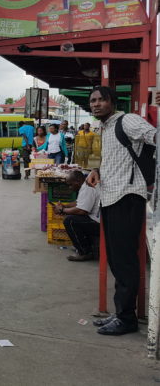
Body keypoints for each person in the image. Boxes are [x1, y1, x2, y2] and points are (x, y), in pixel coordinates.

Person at [86, 86, 155, 336]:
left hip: (127, 197)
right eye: (92, 101)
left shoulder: (128, 121)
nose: (96, 104)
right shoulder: (103, 128)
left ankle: (127, 320)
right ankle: (121, 313)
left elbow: (153, 136)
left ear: (112, 102)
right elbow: (110, 159)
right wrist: (96, 172)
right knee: (116, 260)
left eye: (101, 100)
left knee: (125, 262)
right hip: (110, 198)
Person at [54, 170, 101, 261]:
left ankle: (85, 252)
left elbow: (82, 211)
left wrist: (63, 210)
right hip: (94, 219)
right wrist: (65, 206)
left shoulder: (88, 188)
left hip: (98, 223)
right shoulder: (84, 187)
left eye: (71, 184)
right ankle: (81, 246)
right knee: (70, 217)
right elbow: (78, 203)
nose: (70, 187)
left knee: (69, 220)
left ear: (77, 181)